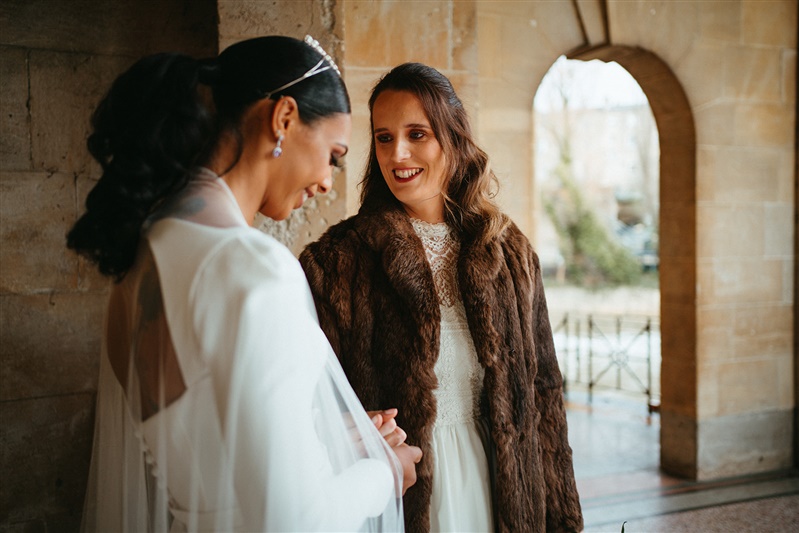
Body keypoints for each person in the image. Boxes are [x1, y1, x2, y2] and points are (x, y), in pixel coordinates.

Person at [68, 35, 421, 532]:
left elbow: (209, 440)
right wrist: (385, 472)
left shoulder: (142, 262)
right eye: (333, 156)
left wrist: (326, 434)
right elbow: (297, 521)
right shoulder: (254, 269)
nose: (326, 181)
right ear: (283, 119)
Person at [300, 62, 583, 532]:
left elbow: (544, 397)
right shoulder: (335, 263)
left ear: (453, 138)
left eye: (417, 133)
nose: (398, 153)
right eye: (384, 137)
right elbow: (309, 411)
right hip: (400, 501)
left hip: (504, 493)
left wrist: (562, 520)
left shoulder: (510, 253)